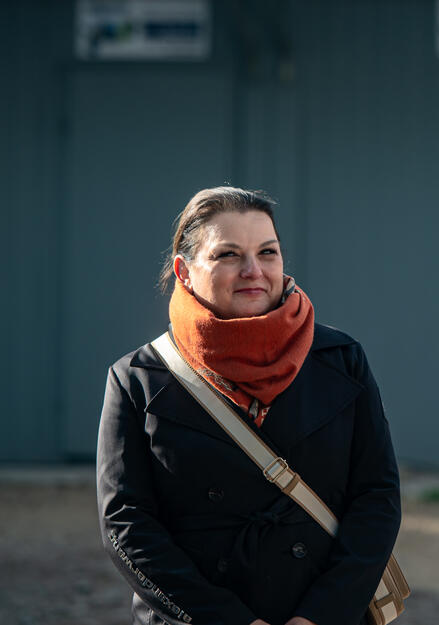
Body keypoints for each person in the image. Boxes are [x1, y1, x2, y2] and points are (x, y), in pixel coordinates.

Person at [97, 186, 401, 625]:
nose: (254, 271)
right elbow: (126, 524)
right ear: (184, 271)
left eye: (268, 252)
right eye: (228, 255)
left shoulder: (339, 358)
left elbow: (377, 496)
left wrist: (322, 614)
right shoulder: (138, 378)